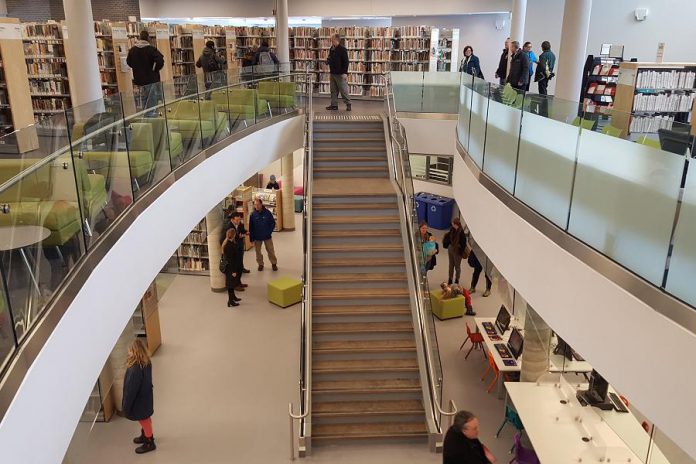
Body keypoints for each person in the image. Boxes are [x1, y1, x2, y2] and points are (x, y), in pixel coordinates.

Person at [122, 339, 156, 454]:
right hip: (146, 397)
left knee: (144, 420)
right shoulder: (146, 362)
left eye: (129, 351)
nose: (128, 353)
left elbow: (131, 390)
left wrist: (126, 405)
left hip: (138, 400)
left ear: (134, 351)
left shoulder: (135, 369)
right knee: (146, 418)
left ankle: (149, 441)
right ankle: (145, 435)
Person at [126, 30, 165, 110]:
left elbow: (128, 62)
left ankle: (146, 115)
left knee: (144, 100)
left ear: (140, 38)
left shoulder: (133, 50)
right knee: (152, 101)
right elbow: (160, 60)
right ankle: (152, 117)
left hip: (139, 80)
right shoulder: (151, 50)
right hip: (151, 79)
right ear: (148, 38)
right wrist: (154, 69)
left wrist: (137, 68)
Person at [249, 198, 278, 271]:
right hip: (257, 237)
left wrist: (269, 232)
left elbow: (273, 223)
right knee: (258, 252)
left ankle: (274, 263)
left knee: (270, 250)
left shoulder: (267, 213)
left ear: (261, 204)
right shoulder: (253, 215)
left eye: (258, 204)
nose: (257, 206)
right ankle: (260, 264)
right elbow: (251, 227)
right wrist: (251, 239)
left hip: (267, 236)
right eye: (255, 205)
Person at [326, 33, 351, 112]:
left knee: (343, 90)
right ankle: (334, 105)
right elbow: (330, 58)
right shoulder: (332, 48)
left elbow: (346, 62)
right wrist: (328, 62)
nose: (331, 40)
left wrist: (345, 73)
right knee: (333, 90)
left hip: (340, 74)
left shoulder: (342, 49)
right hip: (333, 73)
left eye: (332, 39)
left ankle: (348, 104)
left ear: (336, 39)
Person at [221, 229, 243, 307]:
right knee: (230, 285)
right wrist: (233, 271)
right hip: (231, 268)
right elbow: (231, 260)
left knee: (232, 283)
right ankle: (230, 301)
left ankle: (233, 297)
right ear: (233, 235)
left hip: (231, 267)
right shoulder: (229, 246)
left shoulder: (228, 243)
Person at [443, 217, 466, 285]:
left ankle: (457, 279)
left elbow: (463, 244)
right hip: (451, 249)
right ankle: (450, 278)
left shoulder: (461, 233)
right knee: (451, 265)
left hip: (458, 251)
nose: (452, 225)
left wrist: (460, 252)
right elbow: (449, 238)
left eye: (453, 224)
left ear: (456, 224)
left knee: (457, 266)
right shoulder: (452, 230)